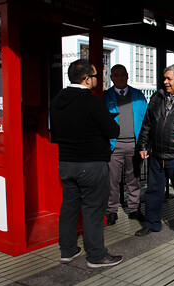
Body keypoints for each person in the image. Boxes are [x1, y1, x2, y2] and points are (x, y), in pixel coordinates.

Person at [49, 59, 122, 268]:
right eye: (96, 76)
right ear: (87, 78)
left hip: (66, 163)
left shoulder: (56, 101)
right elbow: (112, 131)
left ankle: (68, 250)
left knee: (69, 207)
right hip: (91, 164)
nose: (98, 80)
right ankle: (97, 255)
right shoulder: (93, 102)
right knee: (93, 210)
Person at [135, 64, 174, 238]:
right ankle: (151, 223)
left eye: (169, 78)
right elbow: (147, 123)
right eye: (165, 78)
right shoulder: (158, 96)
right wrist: (143, 145)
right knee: (153, 191)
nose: (165, 82)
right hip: (156, 155)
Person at [103, 64, 148, 225]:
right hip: (113, 145)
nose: (120, 77)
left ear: (127, 76)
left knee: (134, 179)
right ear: (111, 77)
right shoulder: (105, 96)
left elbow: (147, 120)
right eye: (116, 75)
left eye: (123, 74)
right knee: (112, 181)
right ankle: (112, 210)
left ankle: (134, 209)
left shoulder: (138, 95)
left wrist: (144, 144)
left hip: (134, 145)